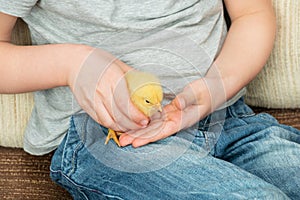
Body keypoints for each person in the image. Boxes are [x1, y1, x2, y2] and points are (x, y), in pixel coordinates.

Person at [0, 0, 299, 199]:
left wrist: (215, 88)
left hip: (230, 118)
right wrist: (71, 64)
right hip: (109, 138)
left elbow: (252, 14)